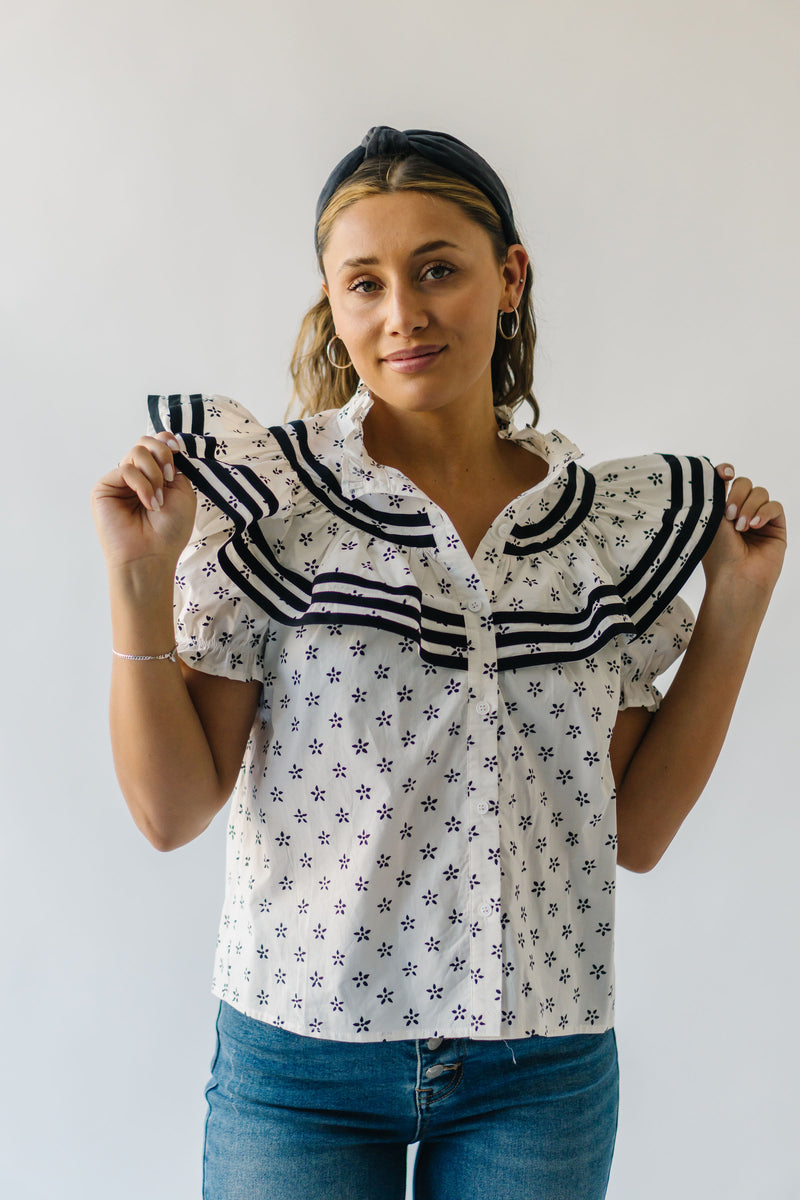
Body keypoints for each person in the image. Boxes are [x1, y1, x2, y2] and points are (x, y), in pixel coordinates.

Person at [91, 127, 786, 1200]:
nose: (401, 314)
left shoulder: (595, 533)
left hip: (538, 1060)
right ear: (332, 303)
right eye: (362, 283)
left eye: (437, 270)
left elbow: (635, 831)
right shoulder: (280, 512)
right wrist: (139, 579)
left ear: (508, 277)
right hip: (302, 1056)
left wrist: (735, 606)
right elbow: (172, 811)